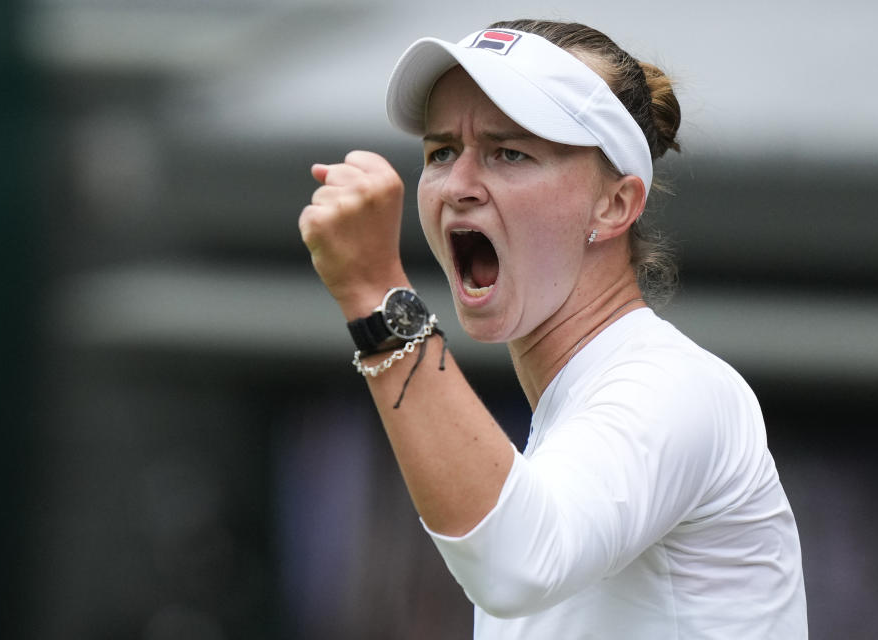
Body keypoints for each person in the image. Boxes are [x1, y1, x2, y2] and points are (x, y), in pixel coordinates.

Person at [299, 18, 807, 639]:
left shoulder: (674, 385)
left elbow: (518, 562)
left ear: (616, 204)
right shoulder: (567, 428)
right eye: (442, 152)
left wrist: (378, 295)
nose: (458, 186)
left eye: (510, 152)